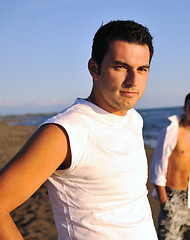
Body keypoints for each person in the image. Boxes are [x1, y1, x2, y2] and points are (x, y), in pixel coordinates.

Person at [0, 20, 158, 239]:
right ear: (95, 69)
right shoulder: (64, 132)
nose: (133, 81)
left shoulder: (134, 119)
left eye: (142, 69)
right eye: (120, 67)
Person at [150, 91, 190, 240]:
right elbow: (158, 171)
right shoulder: (171, 132)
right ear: (184, 109)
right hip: (174, 198)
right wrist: (165, 203)